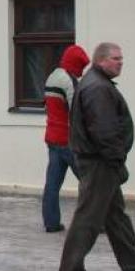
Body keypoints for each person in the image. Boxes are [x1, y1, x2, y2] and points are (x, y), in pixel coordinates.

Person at [58, 42, 135, 271]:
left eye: (121, 58)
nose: (120, 62)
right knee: (89, 217)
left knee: (115, 214)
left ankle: (132, 260)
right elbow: (103, 130)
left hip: (101, 160)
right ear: (101, 60)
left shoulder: (97, 83)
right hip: (100, 162)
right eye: (115, 58)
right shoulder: (97, 88)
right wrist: (116, 159)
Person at [42, 45, 90, 232]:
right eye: (80, 67)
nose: (81, 72)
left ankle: (51, 222)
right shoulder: (69, 82)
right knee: (88, 181)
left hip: (52, 137)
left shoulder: (52, 76)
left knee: (52, 184)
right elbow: (76, 111)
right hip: (68, 140)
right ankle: (92, 221)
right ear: (74, 64)